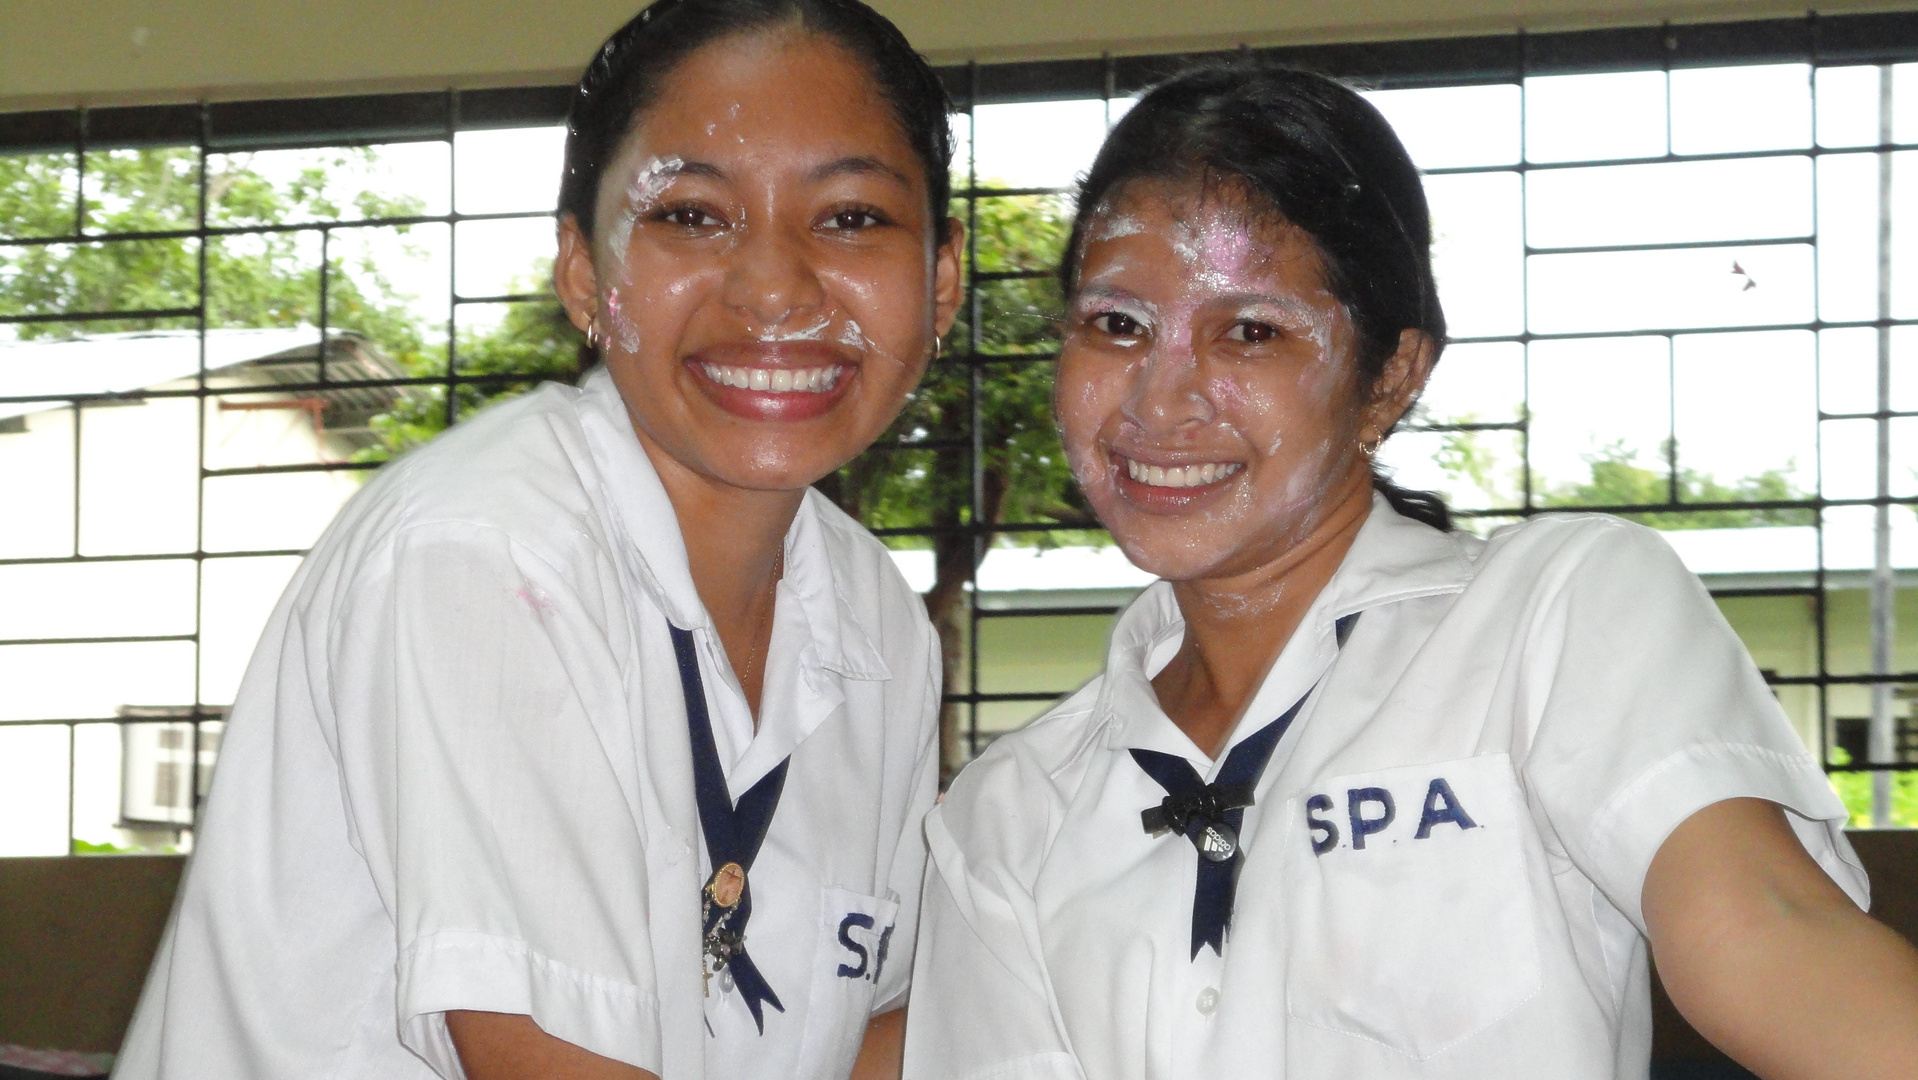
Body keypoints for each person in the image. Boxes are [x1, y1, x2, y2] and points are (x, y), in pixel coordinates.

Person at [902, 64, 1918, 1080]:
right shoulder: (1007, 814)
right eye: (1116, 324)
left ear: (1388, 376)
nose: (1158, 402)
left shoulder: (1550, 619)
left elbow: (1767, 934)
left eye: (1249, 332)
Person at [118, 2, 962, 1078]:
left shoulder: (876, 617)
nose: (773, 288)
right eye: (693, 216)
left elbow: (879, 1033)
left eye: (849, 217)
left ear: (939, 281)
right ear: (581, 276)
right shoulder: (484, 555)